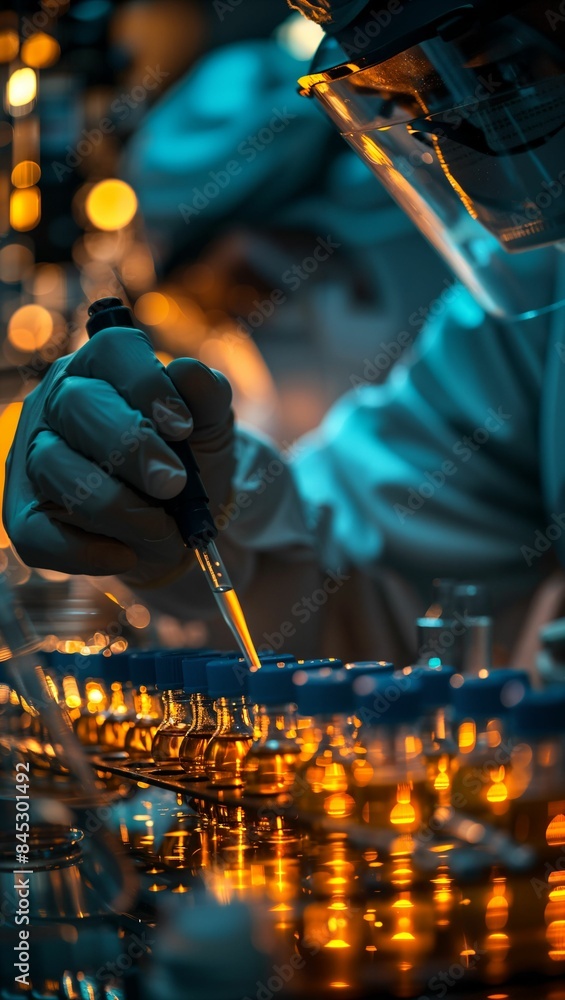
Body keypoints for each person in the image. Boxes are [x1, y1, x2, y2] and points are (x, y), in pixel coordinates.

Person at [5, 0, 565, 665]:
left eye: (497, 75)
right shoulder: (528, 310)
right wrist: (203, 513)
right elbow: (363, 576)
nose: (460, 153)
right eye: (423, 99)